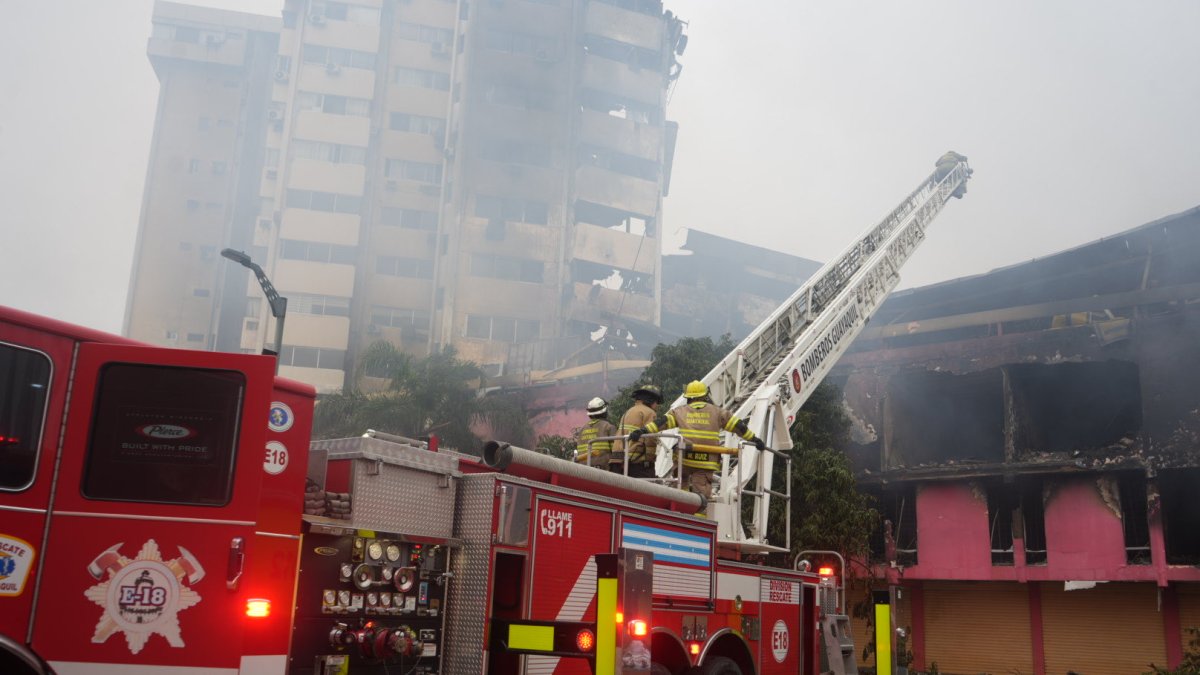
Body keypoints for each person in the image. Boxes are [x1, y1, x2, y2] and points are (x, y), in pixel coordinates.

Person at [628, 380, 765, 498]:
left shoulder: (679, 411)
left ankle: (680, 512)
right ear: (705, 396)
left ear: (688, 397)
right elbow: (739, 427)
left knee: (680, 490)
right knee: (701, 498)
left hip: (684, 460)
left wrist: (642, 431)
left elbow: (660, 423)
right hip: (705, 463)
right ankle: (698, 517)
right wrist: (754, 439)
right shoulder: (718, 412)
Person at [611, 385, 663, 478]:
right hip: (636, 463)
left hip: (617, 460)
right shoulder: (650, 412)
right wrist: (650, 461)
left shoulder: (628, 411)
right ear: (650, 400)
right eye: (657, 402)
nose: (658, 406)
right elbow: (650, 439)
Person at [574, 397, 616, 468]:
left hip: (583, 470)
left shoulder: (582, 430)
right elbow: (616, 451)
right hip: (604, 470)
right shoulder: (609, 427)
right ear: (604, 411)